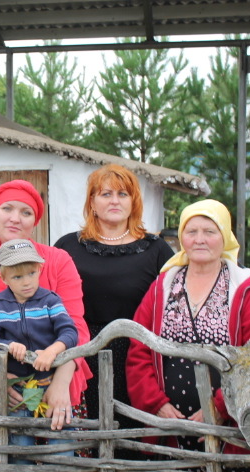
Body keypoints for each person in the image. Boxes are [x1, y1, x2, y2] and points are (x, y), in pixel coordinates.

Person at [126, 199, 250, 472]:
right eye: (191, 231)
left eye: (209, 231)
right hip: (171, 427)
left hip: (226, 428)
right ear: (181, 237)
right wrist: (155, 403)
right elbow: (139, 349)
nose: (199, 240)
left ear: (225, 236)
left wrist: (219, 407)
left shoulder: (246, 289)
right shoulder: (164, 286)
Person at [0, 179, 92, 433]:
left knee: (60, 463)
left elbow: (76, 329)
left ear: (34, 222)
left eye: (25, 212)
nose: (15, 218)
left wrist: (60, 384)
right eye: (7, 209)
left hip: (57, 382)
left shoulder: (57, 261)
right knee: (5, 466)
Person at [54, 165, 174, 434]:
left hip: (140, 358)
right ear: (92, 203)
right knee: (87, 435)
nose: (115, 201)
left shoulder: (156, 250)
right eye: (106, 194)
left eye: (123, 194)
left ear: (134, 202)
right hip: (81, 354)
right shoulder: (67, 246)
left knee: (133, 435)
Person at [0, 238, 78, 461]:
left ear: (39, 269)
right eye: (17, 277)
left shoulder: (49, 301)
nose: (27, 282)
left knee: (60, 442)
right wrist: (9, 346)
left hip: (49, 386)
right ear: (3, 277)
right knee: (19, 446)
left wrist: (52, 351)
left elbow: (70, 333)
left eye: (31, 273)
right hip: (19, 390)